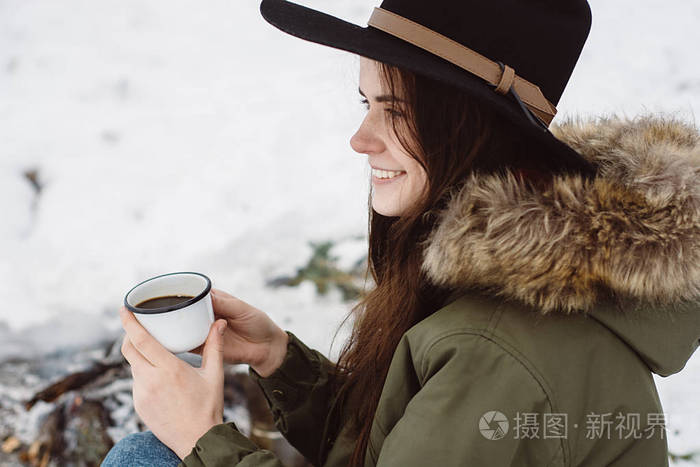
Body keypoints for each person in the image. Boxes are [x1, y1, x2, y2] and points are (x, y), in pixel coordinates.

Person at [103, 0, 700, 466]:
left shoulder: (497, 352)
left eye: (396, 110)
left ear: (471, 127)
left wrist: (202, 437)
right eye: (365, 103)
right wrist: (278, 359)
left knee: (144, 459)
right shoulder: (506, 295)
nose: (360, 138)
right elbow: (412, 442)